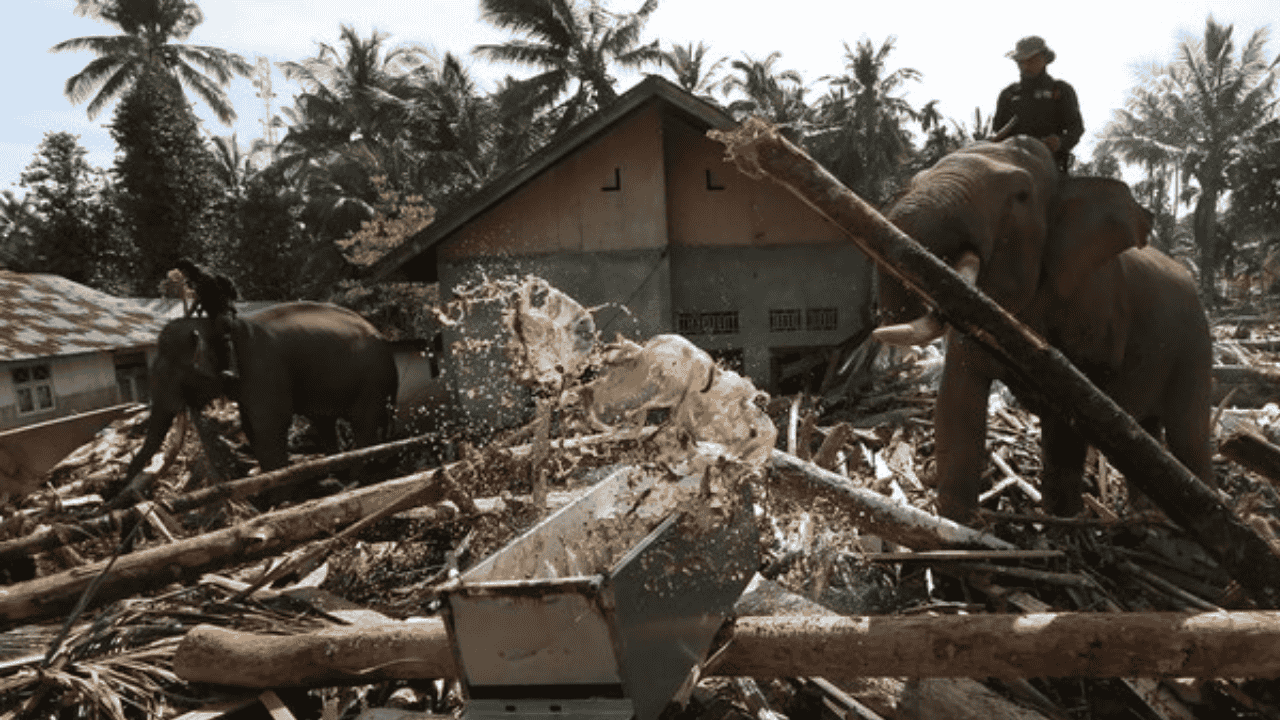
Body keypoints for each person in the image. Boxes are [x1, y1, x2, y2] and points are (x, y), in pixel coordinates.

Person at [993, 36, 1084, 174]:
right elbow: (997, 128)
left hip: (1050, 167)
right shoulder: (1008, 94)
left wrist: (1060, 142)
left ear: (1045, 59)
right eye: (1021, 61)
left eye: (1031, 60)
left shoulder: (1060, 90)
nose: (1025, 66)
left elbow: (1076, 128)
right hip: (1011, 167)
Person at [175, 258, 240, 383]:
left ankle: (231, 368)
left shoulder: (203, 279)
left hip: (223, 312)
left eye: (183, 272)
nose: (183, 275)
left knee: (221, 334)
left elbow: (199, 300)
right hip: (213, 314)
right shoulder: (197, 280)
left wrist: (188, 315)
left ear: (187, 270)